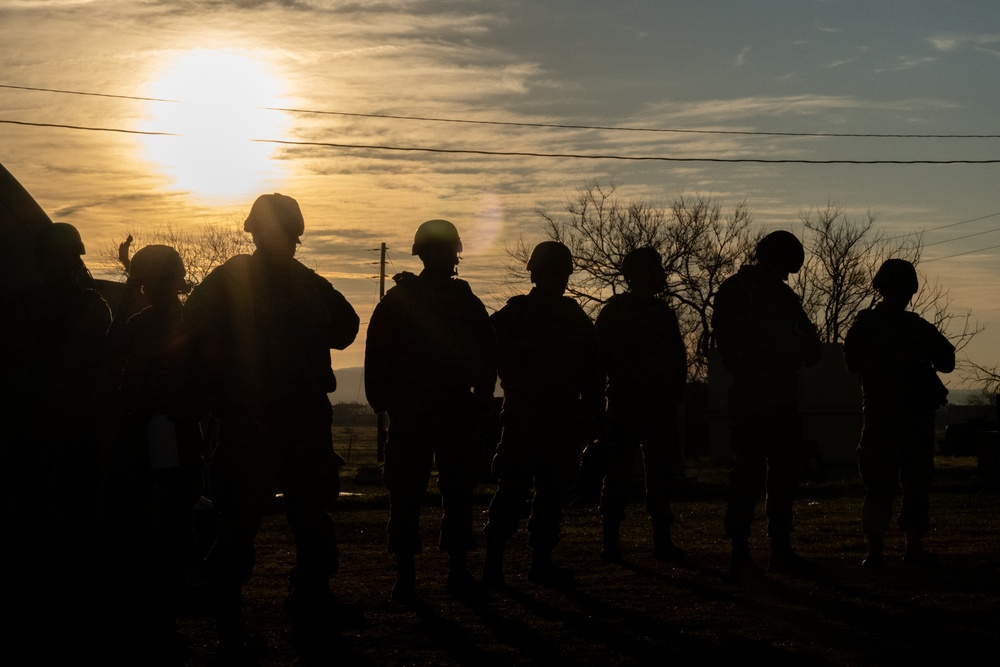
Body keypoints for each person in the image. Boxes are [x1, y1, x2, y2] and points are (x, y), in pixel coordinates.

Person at [184, 194, 360, 654]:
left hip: (294, 416)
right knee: (243, 512)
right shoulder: (237, 280)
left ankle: (305, 596)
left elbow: (345, 328)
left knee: (306, 512)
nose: (288, 243)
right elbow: (192, 335)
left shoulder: (300, 282)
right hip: (252, 416)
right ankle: (231, 604)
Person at [365, 219, 496, 603]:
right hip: (418, 410)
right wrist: (386, 401)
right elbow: (378, 357)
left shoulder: (461, 302)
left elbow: (487, 354)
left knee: (454, 491)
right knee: (408, 494)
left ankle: (450, 573)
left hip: (448, 408)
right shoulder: (404, 302)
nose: (448, 258)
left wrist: (481, 396)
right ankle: (408, 577)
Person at [482, 241, 602, 589]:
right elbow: (488, 353)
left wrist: (595, 415)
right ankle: (494, 564)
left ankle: (540, 561)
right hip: (524, 414)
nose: (558, 279)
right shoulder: (515, 315)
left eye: (561, 273)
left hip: (563, 417)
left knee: (552, 493)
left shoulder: (574, 317)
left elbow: (592, 371)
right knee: (513, 490)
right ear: (535, 274)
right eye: (551, 272)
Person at [105, 244, 204, 658]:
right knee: (168, 516)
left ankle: (160, 602)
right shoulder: (181, 321)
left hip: (159, 430)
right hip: (165, 431)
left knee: (159, 517)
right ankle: (168, 596)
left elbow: (112, 353)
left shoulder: (149, 323)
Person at [712, 230, 821, 582]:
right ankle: (740, 554)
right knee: (747, 477)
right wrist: (780, 346)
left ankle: (780, 550)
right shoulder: (735, 291)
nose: (786, 276)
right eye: (783, 268)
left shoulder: (783, 294)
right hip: (751, 399)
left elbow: (810, 342)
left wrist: (800, 345)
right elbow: (733, 349)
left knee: (785, 475)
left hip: (783, 399)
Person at [843, 259, 954, 569]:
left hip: (899, 417)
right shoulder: (888, 326)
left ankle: (887, 549)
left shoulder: (886, 326)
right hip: (890, 417)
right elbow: (855, 362)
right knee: (889, 483)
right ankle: (889, 549)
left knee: (899, 483)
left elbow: (946, 359)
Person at [596, 247, 689, 565]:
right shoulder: (616, 311)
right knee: (619, 471)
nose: (661, 274)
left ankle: (661, 541)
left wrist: (675, 391)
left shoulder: (663, 312)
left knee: (661, 473)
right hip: (626, 402)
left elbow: (678, 357)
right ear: (639, 274)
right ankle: (611, 544)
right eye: (655, 269)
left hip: (659, 404)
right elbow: (598, 360)